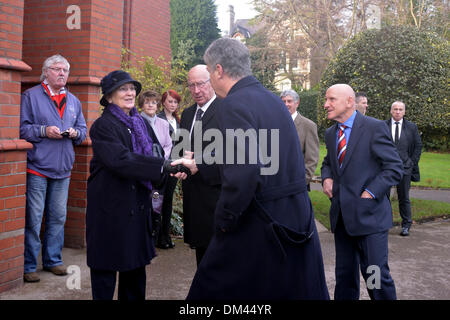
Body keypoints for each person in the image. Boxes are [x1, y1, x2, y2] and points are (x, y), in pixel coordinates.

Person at [174, 38, 329, 300]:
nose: (209, 80)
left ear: (219, 70)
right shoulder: (272, 100)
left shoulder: (234, 104)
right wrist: (201, 164)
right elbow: (264, 154)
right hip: (293, 217)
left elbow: (245, 171)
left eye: (209, 73)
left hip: (261, 222)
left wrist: (224, 220)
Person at [86, 70, 189, 300]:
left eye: (132, 88)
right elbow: (121, 160)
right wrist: (164, 166)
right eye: (123, 88)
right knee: (105, 273)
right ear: (109, 97)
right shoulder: (103, 126)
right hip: (111, 211)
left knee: (134, 273)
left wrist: (173, 168)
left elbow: (155, 152)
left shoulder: (139, 123)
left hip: (137, 207)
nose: (130, 92)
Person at [321, 84, 403, 300]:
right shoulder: (331, 134)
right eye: (326, 99)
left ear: (349, 102)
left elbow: (394, 167)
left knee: (374, 278)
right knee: (345, 277)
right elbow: (328, 162)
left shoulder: (374, 128)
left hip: (370, 219)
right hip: (342, 219)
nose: (325, 104)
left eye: (331, 99)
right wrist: (327, 176)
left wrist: (370, 193)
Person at [20, 54, 87, 283]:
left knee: (58, 218)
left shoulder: (74, 101)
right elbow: (22, 129)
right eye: (57, 69)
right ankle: (29, 265)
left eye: (65, 70)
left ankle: (53, 261)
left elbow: (83, 131)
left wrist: (77, 134)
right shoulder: (30, 96)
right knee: (34, 218)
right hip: (38, 168)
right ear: (46, 72)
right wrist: (43, 131)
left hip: (63, 170)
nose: (62, 74)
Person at [177, 64, 221, 266]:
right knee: (201, 260)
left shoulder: (226, 110)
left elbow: (233, 150)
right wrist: (180, 167)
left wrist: (200, 164)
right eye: (191, 85)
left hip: (217, 196)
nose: (196, 91)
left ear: (212, 81)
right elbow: (181, 148)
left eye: (200, 84)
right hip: (194, 197)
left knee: (219, 261)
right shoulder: (187, 114)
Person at [138, 90, 172, 239]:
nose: (151, 105)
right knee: (144, 203)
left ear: (158, 105)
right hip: (143, 171)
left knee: (156, 202)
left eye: (153, 102)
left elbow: (168, 145)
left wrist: (160, 162)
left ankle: (153, 234)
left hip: (159, 173)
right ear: (141, 104)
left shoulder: (164, 124)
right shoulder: (136, 122)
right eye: (147, 102)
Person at [386, 101, 422, 236]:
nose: (397, 112)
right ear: (391, 111)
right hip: (386, 168)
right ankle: (385, 223)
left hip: (405, 168)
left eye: (400, 109)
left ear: (404, 112)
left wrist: (411, 162)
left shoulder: (412, 127)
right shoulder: (383, 126)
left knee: (404, 197)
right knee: (384, 197)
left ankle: (406, 225)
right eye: (395, 109)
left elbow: (418, 146)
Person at [156, 90, 181, 249]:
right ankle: (157, 236)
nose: (173, 104)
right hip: (160, 165)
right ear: (164, 102)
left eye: (175, 102)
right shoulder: (157, 119)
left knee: (169, 200)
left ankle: (166, 235)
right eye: (170, 101)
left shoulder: (178, 120)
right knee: (157, 198)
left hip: (174, 164)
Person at [280, 89, 319, 190]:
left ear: (297, 103)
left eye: (289, 101)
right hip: (276, 183)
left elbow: (312, 158)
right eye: (283, 101)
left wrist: (302, 181)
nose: (286, 104)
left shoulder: (308, 126)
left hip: (297, 184)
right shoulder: (273, 123)